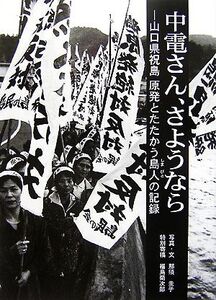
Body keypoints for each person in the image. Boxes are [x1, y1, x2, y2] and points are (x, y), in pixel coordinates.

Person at [42, 165, 96, 300]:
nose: (66, 185)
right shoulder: (47, 203)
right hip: (51, 254)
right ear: (55, 184)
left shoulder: (78, 204)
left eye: (69, 181)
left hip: (71, 257)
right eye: (62, 181)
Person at [0, 170, 51, 300]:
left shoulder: (36, 221)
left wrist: (29, 272)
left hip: (31, 289)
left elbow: (46, 253)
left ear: (21, 191)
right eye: (3, 191)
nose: (9, 195)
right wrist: (12, 251)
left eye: (14, 189)